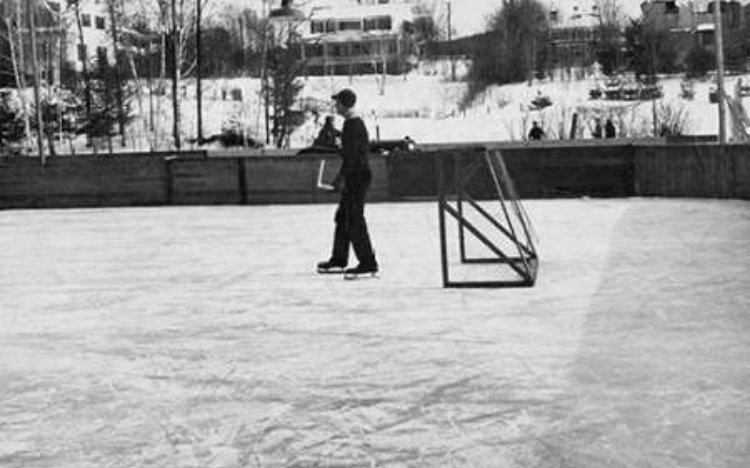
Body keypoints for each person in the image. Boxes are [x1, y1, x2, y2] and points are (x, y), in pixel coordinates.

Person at [317, 88, 379, 277]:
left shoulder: (353, 125)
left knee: (354, 219)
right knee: (343, 218)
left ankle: (368, 262)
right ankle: (338, 259)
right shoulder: (351, 124)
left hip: (357, 177)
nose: (335, 106)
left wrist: (340, 180)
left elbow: (352, 157)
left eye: (337, 103)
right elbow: (350, 152)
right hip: (355, 175)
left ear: (344, 104)